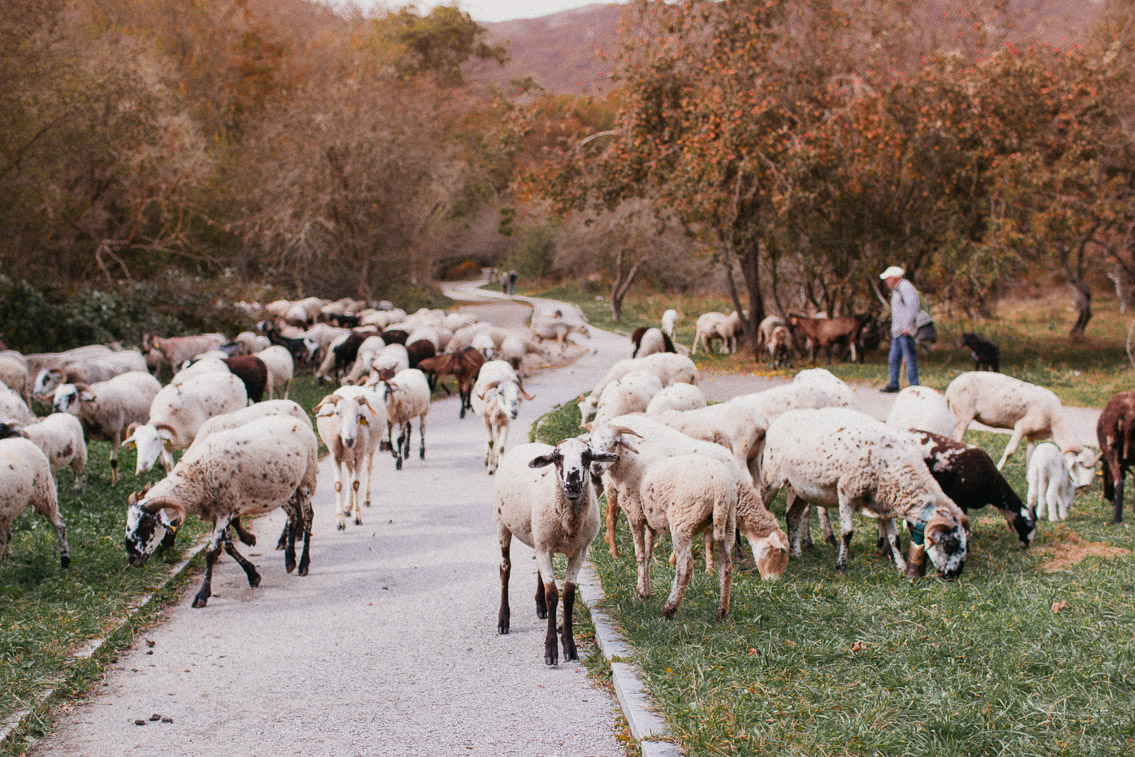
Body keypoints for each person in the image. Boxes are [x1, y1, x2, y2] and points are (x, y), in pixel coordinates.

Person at [879, 265, 920, 392]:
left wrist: (908, 326)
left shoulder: (906, 288)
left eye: (888, 278)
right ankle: (893, 384)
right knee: (893, 358)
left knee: (909, 358)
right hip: (897, 331)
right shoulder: (897, 289)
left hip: (904, 331)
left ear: (895, 278)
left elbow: (912, 307)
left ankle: (914, 386)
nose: (887, 281)